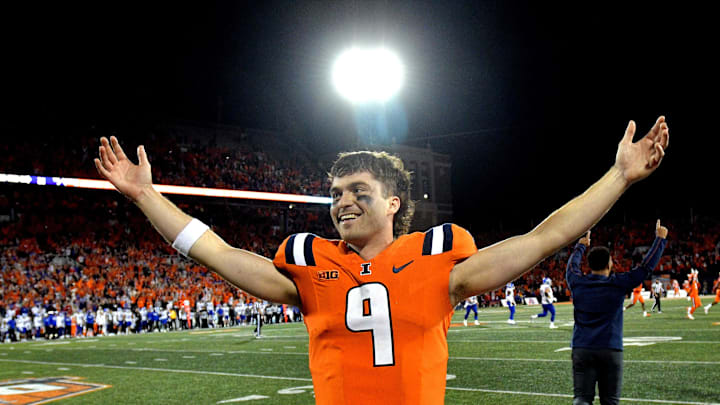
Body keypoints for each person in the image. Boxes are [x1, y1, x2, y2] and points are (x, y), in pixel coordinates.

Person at [94, 116, 668, 405]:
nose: (343, 201)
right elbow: (215, 251)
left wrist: (619, 175)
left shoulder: (439, 258)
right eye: (337, 192)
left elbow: (544, 238)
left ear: (393, 202)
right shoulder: (308, 263)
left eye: (358, 190)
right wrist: (146, 196)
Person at [566, 221, 668, 405]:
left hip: (582, 348)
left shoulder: (577, 282)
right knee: (610, 401)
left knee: (581, 399)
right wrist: (660, 239)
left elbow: (572, 265)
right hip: (610, 348)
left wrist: (581, 245)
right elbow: (645, 268)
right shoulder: (618, 283)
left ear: (589, 264)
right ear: (609, 264)